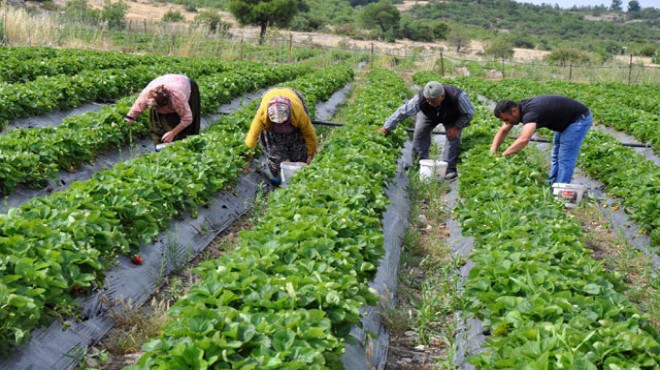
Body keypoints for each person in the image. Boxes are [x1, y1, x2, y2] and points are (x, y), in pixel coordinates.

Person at [376, 81, 475, 180]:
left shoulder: (457, 96)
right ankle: (418, 166)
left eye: (433, 101)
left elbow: (469, 113)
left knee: (453, 137)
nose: (429, 103)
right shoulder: (420, 99)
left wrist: (457, 127)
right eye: (428, 100)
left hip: (452, 116)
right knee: (420, 134)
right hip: (428, 115)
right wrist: (386, 127)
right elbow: (403, 112)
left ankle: (449, 169)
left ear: (443, 96)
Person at [490, 95, 593, 185]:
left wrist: (503, 155)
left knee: (565, 157)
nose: (507, 123)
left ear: (514, 111)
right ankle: (553, 184)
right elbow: (503, 131)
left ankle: (561, 192)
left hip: (578, 120)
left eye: (506, 119)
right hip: (565, 121)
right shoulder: (518, 109)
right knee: (556, 155)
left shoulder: (530, 113)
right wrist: (493, 151)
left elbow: (524, 139)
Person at [245, 87, 317, 185]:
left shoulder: (298, 112)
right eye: (278, 124)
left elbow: (309, 134)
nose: (281, 125)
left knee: (300, 150)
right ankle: (280, 176)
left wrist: (310, 154)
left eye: (284, 123)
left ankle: (298, 176)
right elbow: (252, 137)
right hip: (269, 99)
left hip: (292, 97)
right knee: (274, 152)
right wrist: (247, 160)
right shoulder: (263, 115)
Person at [124, 74, 201, 146]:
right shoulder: (147, 94)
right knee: (156, 127)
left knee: (180, 131)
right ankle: (160, 147)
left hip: (183, 84)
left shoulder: (177, 98)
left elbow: (187, 119)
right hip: (169, 81)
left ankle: (181, 146)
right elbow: (136, 108)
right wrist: (129, 118)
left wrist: (173, 133)